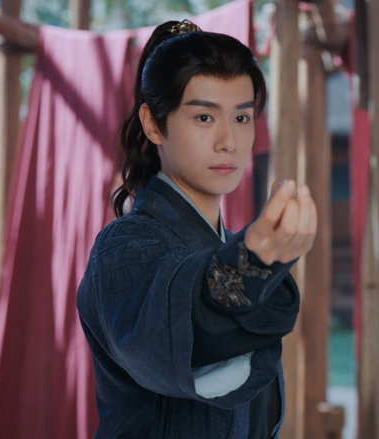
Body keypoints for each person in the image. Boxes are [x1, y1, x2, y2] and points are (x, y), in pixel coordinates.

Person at [76, 20, 317, 438]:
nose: (229, 141)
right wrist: (252, 264)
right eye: (204, 116)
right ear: (154, 124)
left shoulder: (227, 246)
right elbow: (187, 335)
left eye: (242, 117)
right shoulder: (122, 245)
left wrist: (252, 262)